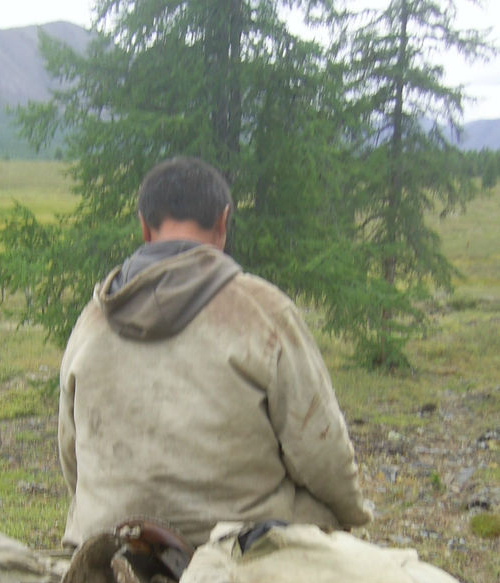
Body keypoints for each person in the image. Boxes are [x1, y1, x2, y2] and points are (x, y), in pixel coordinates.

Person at [58, 156, 371, 552]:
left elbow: (71, 456)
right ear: (223, 222)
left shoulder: (92, 319)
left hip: (107, 540)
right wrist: (352, 514)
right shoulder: (263, 310)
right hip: (237, 548)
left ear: (143, 225)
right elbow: (321, 453)